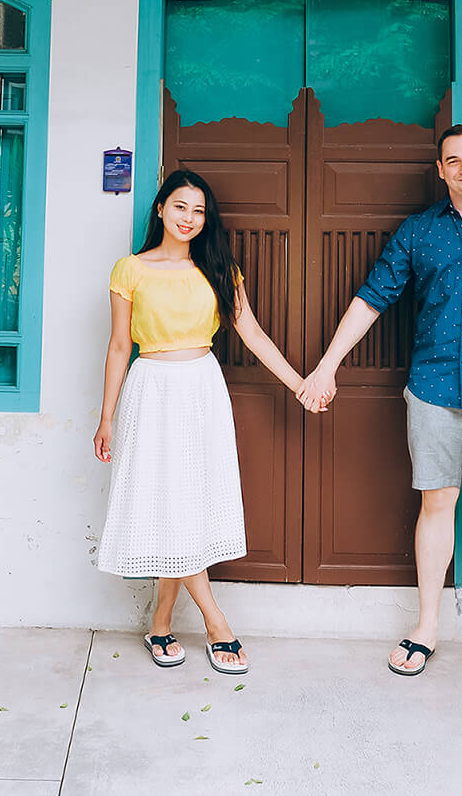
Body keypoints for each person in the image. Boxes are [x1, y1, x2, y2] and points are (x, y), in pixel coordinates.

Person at [297, 125, 462, 682]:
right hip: (433, 389)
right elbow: (372, 298)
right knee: (436, 503)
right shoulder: (420, 232)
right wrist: (327, 364)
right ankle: (426, 627)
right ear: (440, 169)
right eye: (453, 160)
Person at [94, 168, 304, 673]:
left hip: (201, 389)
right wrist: (106, 418)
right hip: (151, 391)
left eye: (199, 211)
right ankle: (216, 623)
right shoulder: (131, 270)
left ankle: (161, 623)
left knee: (184, 503)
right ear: (161, 209)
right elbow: (121, 345)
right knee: (171, 502)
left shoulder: (218, 268)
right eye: (181, 207)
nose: (189, 218)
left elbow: (251, 333)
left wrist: (298, 383)